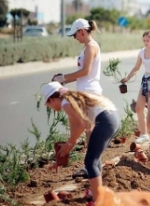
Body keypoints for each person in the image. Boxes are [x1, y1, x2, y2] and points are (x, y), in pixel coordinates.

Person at [41, 81, 120, 205]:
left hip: (105, 122)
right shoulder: (70, 101)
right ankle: (97, 193)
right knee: (95, 159)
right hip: (112, 119)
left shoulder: (66, 103)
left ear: (51, 99)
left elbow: (81, 125)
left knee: (90, 162)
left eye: (48, 104)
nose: (50, 108)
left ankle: (97, 200)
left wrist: (68, 145)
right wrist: (62, 156)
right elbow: (74, 132)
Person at [52, 18, 102, 179]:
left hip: (89, 93)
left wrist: (63, 78)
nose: (75, 38)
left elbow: (85, 72)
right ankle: (92, 167)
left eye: (75, 35)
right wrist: (64, 78)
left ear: (82, 31)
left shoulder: (90, 47)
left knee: (90, 131)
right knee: (90, 131)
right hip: (86, 92)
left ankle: (92, 168)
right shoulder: (87, 47)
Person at [121, 31, 150, 144]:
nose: (146, 42)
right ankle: (144, 134)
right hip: (145, 80)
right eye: (144, 40)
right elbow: (136, 67)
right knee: (139, 108)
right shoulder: (142, 52)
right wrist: (127, 78)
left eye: (148, 40)